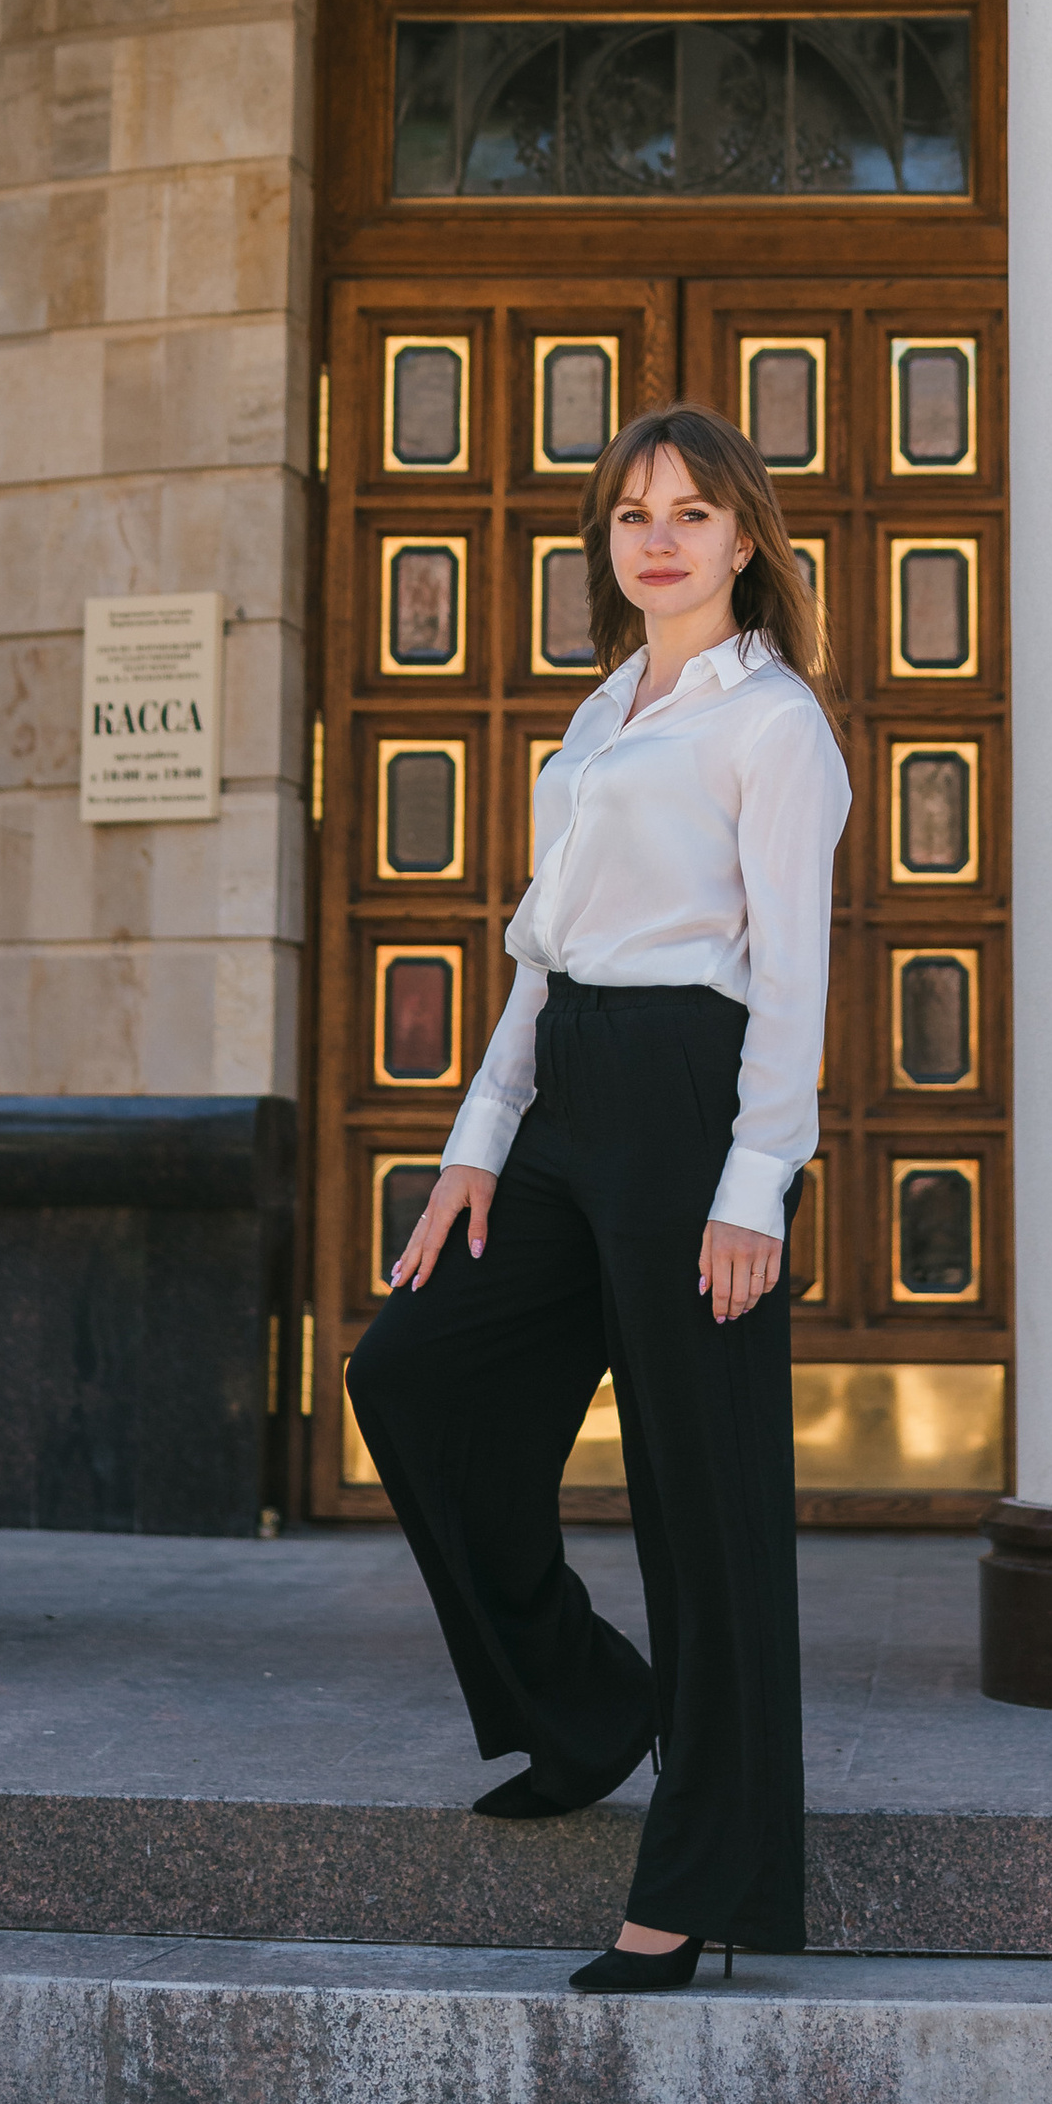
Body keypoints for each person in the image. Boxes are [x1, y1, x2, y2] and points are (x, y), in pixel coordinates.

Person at [348, 400, 850, 1995]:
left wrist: (754, 1182)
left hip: (695, 1102)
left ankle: (698, 1882)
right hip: (568, 1093)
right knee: (409, 1373)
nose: (661, 535)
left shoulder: (774, 726)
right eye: (635, 510)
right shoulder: (600, 710)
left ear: (747, 537)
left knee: (702, 1506)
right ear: (606, 540)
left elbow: (792, 974)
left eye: (694, 511)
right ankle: (580, 1704)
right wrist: (477, 1141)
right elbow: (540, 949)